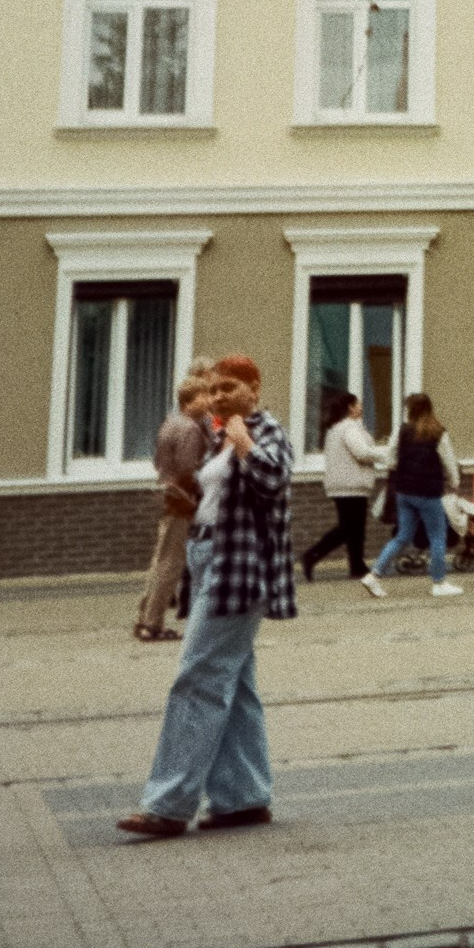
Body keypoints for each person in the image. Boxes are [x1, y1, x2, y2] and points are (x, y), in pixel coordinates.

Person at [116, 355, 294, 838]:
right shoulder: (218, 435)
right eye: (212, 390)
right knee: (233, 686)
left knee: (196, 678)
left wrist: (244, 445)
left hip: (238, 569)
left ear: (254, 387)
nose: (217, 398)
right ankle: (243, 798)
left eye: (228, 388)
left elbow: (274, 480)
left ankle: (168, 804)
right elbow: (218, 499)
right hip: (209, 558)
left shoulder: (265, 431)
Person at [132, 368, 215, 643]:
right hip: (181, 501)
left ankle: (144, 618)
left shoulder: (171, 422)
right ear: (189, 400)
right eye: (204, 396)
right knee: (171, 564)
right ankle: (152, 624)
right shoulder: (190, 428)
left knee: (160, 561)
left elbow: (160, 462)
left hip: (168, 496)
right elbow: (189, 469)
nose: (209, 401)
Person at [362, 393, 464, 601]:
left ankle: (374, 575)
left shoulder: (401, 431)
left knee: (402, 536)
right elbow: (449, 461)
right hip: (428, 491)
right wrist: (455, 482)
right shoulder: (438, 432)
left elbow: (390, 459)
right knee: (437, 536)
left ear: (410, 410)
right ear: (429, 408)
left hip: (404, 491)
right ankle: (439, 582)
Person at [301, 389, 380, 584]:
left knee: (353, 529)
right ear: (350, 408)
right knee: (349, 529)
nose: (361, 407)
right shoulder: (349, 429)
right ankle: (312, 555)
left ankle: (357, 565)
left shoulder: (335, 429)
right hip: (352, 485)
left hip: (342, 484)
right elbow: (362, 453)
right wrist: (386, 454)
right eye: (358, 404)